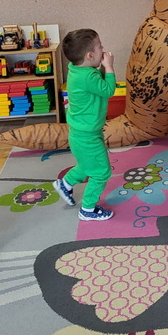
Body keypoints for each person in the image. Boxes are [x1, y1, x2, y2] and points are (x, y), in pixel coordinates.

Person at [53, 29, 116, 221]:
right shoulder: (89, 77)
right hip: (87, 136)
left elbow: (97, 82)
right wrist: (109, 67)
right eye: (100, 47)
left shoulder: (76, 69)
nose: (103, 50)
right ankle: (88, 209)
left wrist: (101, 67)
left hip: (81, 133)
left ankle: (65, 183)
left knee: (88, 165)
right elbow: (109, 90)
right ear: (89, 56)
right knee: (102, 172)